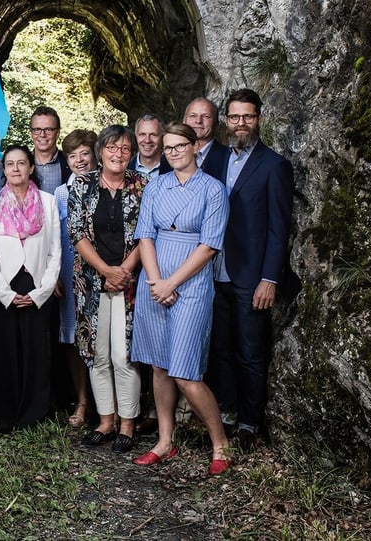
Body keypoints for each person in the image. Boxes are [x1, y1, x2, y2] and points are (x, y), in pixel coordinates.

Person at [130, 122, 231, 475]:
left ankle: (220, 444)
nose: (173, 153)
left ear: (194, 146)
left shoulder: (213, 190)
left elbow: (209, 246)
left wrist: (172, 282)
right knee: (159, 366)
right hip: (154, 281)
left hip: (190, 284)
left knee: (185, 372)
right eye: (168, 147)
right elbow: (145, 236)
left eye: (179, 146)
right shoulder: (156, 186)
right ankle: (164, 441)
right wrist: (157, 282)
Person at [209, 88, 294, 449]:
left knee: (250, 351)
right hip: (214, 273)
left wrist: (269, 278)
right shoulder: (214, 162)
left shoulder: (274, 166)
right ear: (225, 121)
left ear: (259, 119)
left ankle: (249, 422)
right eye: (234, 117)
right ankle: (225, 413)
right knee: (220, 349)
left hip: (251, 277)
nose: (240, 123)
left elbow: (279, 227)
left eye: (248, 116)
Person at [68, 125, 147, 454]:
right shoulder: (82, 185)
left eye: (125, 149)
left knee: (123, 355)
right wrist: (104, 270)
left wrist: (124, 271)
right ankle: (105, 420)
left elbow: (147, 233)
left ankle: (128, 424)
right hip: (91, 282)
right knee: (98, 356)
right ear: (100, 151)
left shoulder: (143, 185)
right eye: (112, 148)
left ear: (132, 154)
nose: (118, 154)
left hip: (129, 283)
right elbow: (77, 232)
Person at [0, 145, 60, 432]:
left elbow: (55, 251)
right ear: (3, 170)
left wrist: (42, 291)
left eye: (21, 163)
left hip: (36, 284)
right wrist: (2, 291)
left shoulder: (48, 201)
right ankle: (5, 412)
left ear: (31, 168)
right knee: (5, 350)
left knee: (36, 350)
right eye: (9, 164)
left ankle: (34, 412)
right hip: (4, 285)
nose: (15, 169)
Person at [54, 129, 97, 428]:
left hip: (102, 270)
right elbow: (56, 238)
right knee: (72, 338)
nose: (79, 160)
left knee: (103, 338)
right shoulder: (60, 193)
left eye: (84, 153)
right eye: (73, 155)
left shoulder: (108, 185)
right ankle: (82, 402)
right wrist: (56, 274)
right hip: (71, 270)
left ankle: (109, 405)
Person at [183, 97, 229, 181]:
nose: (198, 121)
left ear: (216, 123)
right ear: (184, 122)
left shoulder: (228, 157)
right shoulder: (169, 158)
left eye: (206, 116)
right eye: (193, 116)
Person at [29, 106, 71, 195]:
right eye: (37, 129)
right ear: (31, 133)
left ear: (58, 133)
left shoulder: (71, 163)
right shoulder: (21, 164)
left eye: (48, 130)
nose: (42, 135)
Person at [129, 114, 171, 179]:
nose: (147, 140)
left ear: (162, 137)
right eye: (142, 134)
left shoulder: (173, 167)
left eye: (153, 135)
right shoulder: (125, 167)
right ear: (136, 136)